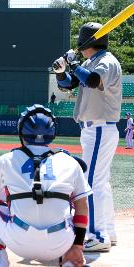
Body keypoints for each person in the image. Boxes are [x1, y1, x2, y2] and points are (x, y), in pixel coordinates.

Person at [0, 104, 92, 267]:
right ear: (53, 132)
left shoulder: (8, 159)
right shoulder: (69, 161)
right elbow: (83, 207)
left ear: (21, 131)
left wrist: (5, 197)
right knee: (71, 205)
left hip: (19, 242)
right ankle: (71, 259)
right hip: (59, 243)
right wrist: (78, 245)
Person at [52, 22, 122, 252]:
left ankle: (96, 234)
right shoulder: (90, 62)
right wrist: (62, 72)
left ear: (86, 41)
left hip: (100, 127)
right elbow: (71, 84)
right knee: (100, 182)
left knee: (90, 183)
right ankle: (107, 232)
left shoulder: (106, 61)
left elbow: (92, 80)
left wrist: (72, 63)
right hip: (94, 129)